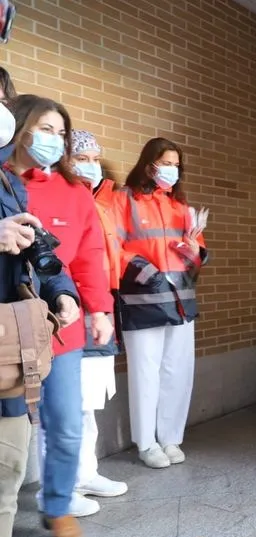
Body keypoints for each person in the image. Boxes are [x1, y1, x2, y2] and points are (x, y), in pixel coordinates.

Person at [7, 94, 115, 537]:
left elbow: (88, 255)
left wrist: (100, 308)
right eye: (45, 129)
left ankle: (56, 506)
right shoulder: (6, 183)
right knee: (9, 429)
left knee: (67, 420)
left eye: (60, 132)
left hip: (59, 324)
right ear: (19, 127)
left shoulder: (73, 192)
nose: (55, 140)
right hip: (7, 327)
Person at [0, 95, 80, 537]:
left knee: (7, 478)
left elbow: (38, 254)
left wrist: (63, 291)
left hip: (11, 352)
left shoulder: (9, 185)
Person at [115, 137, 208, 469]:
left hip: (180, 299)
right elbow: (115, 245)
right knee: (145, 372)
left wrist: (195, 253)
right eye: (165, 163)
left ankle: (171, 437)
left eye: (175, 165)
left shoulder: (180, 206)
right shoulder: (124, 200)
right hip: (142, 299)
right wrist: (145, 270)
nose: (171, 170)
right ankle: (146, 443)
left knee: (178, 372)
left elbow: (198, 252)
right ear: (148, 163)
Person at [68, 129, 128, 501]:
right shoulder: (65, 200)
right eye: (82, 158)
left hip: (100, 305)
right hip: (70, 307)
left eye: (95, 159)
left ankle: (85, 472)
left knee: (88, 399)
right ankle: (65, 481)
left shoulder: (104, 202)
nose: (91, 166)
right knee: (66, 403)